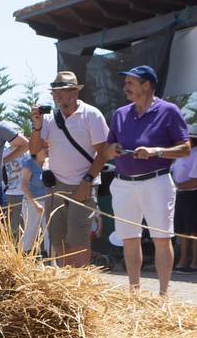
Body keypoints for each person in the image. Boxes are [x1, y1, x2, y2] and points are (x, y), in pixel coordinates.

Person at [102, 66, 191, 295]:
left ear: (147, 85)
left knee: (161, 238)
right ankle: (134, 294)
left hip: (157, 182)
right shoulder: (120, 113)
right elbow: (106, 149)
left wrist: (157, 151)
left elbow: (185, 148)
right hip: (122, 183)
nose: (126, 87)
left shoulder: (169, 111)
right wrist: (112, 149)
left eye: (131, 83)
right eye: (126, 83)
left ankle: (163, 296)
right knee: (129, 239)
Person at [32, 71, 108, 267]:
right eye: (54, 92)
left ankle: (79, 281)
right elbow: (34, 150)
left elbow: (104, 152)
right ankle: (67, 282)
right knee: (57, 237)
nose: (56, 96)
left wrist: (88, 181)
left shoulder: (92, 115)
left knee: (78, 239)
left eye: (62, 92)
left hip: (83, 185)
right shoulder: (49, 118)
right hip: (55, 186)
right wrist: (37, 126)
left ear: (75, 93)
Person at [15, 106, 51, 257]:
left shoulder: (52, 162)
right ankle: (20, 259)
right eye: (44, 146)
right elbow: (23, 185)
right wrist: (35, 203)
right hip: (32, 202)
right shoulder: (29, 163)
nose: (47, 149)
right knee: (30, 232)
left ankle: (52, 260)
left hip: (48, 201)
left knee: (50, 233)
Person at [172, 139, 197, 273]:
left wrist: (177, 186)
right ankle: (182, 262)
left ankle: (194, 263)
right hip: (180, 195)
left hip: (192, 196)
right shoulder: (179, 154)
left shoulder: (196, 154)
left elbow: (195, 182)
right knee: (181, 230)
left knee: (193, 230)